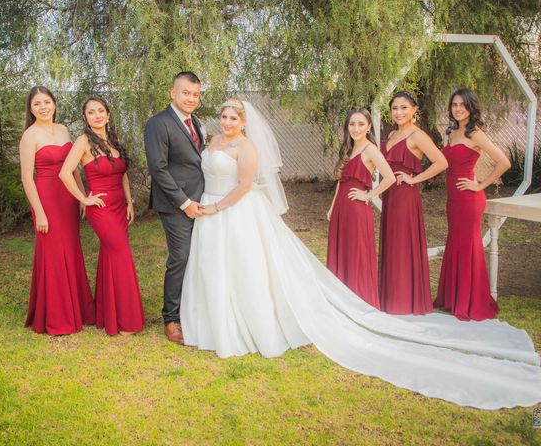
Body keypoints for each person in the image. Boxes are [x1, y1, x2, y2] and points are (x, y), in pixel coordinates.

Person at [180, 97, 541, 410]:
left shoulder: (370, 147)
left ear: (243, 122)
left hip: (243, 209)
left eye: (233, 117)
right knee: (219, 267)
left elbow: (246, 183)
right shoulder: (215, 140)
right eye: (224, 116)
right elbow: (344, 181)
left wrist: (374, 194)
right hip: (222, 209)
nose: (227, 122)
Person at [59, 97, 145, 336]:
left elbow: (123, 174)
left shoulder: (113, 140)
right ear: (85, 117)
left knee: (111, 256)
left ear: (108, 115)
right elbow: (64, 173)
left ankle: (108, 314)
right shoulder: (83, 141)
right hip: (102, 207)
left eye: (100, 111)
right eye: (91, 112)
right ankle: (127, 319)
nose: (96, 115)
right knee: (121, 254)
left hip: (120, 206)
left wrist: (129, 201)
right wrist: (84, 198)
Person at [19, 86, 95, 335]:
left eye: (47, 102)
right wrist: (39, 212)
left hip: (68, 197)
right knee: (52, 254)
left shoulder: (63, 130)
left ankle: (78, 310)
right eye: (37, 104)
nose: (43, 107)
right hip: (46, 198)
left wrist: (82, 197)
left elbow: (72, 167)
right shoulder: (29, 136)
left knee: (71, 250)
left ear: (54, 104)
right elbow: (27, 178)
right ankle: (57, 316)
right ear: (31, 109)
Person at [434, 89, 511, 320]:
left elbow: (503, 162)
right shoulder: (453, 132)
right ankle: (454, 298)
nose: (457, 109)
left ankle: (469, 301)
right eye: (454, 104)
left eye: (462, 105)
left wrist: (480, 185)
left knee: (467, 246)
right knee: (456, 244)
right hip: (454, 199)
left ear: (471, 107)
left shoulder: (474, 133)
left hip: (469, 199)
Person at [144, 71, 206, 344]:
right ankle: (171, 319)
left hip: (202, 202)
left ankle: (194, 310)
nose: (191, 98)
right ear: (172, 92)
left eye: (195, 94)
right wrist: (184, 203)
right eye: (186, 93)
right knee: (180, 258)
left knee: (201, 256)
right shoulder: (158, 123)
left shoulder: (199, 123)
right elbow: (158, 168)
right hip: (175, 205)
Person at [379, 92, 448, 314]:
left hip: (405, 197)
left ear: (414, 110)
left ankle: (403, 300)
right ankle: (391, 297)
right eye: (395, 108)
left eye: (403, 108)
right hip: (390, 196)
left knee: (402, 243)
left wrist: (414, 179)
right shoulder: (391, 135)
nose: (398, 112)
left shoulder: (417, 135)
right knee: (392, 242)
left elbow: (441, 162)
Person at [327, 108, 395, 308]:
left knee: (356, 255)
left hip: (357, 211)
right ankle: (342, 301)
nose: (355, 129)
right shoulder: (349, 149)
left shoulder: (370, 149)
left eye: (360, 124)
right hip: (341, 209)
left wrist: (368, 195)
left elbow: (390, 177)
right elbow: (341, 181)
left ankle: (360, 302)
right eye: (352, 124)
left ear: (369, 127)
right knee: (342, 253)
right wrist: (332, 207)